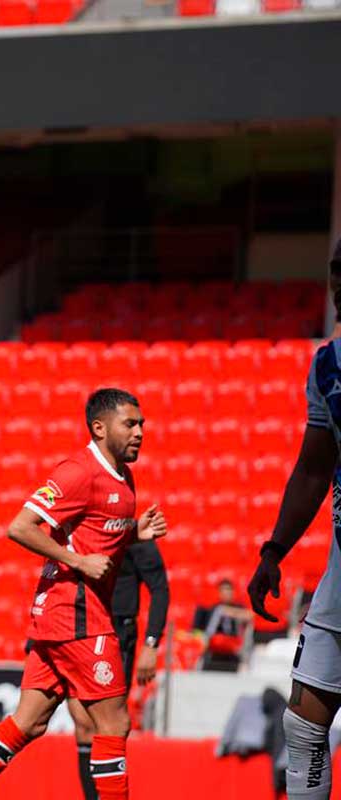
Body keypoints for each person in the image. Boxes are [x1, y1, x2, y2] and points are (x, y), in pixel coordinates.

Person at [0, 388, 167, 800]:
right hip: (78, 614)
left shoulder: (123, 475)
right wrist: (79, 562)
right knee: (114, 724)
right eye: (130, 424)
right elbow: (20, 527)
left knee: (28, 722)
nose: (140, 432)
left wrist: (136, 533)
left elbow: (97, 536)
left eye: (142, 425)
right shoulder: (78, 472)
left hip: (62, 615)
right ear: (99, 428)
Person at [247, 239, 341, 800]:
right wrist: (273, 551)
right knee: (303, 725)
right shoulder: (327, 365)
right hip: (340, 577)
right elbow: (312, 468)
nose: (340, 283)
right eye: (335, 270)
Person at [68, 538, 169, 800]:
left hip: (117, 633)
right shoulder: (80, 529)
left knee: (108, 724)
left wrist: (151, 643)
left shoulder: (132, 532)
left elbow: (159, 588)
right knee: (82, 723)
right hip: (76, 628)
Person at [193, 578, 252, 671]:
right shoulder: (213, 609)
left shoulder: (238, 607)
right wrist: (220, 611)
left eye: (229, 590)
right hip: (214, 646)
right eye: (224, 590)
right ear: (219, 593)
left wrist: (229, 612)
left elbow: (249, 616)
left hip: (234, 644)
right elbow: (205, 629)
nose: (227, 593)